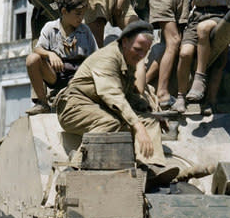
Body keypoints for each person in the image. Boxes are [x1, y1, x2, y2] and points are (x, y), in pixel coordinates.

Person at [56, 21, 179, 187]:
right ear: (125, 41)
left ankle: (149, 167)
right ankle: (75, 167)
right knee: (110, 122)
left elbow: (128, 94)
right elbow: (112, 94)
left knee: (149, 120)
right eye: (138, 49)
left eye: (145, 51)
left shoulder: (128, 60)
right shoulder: (108, 58)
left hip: (100, 106)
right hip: (74, 107)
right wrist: (137, 126)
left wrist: (149, 110)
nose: (141, 56)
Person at [25, 0, 97, 115]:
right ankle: (42, 103)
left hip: (79, 75)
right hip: (56, 74)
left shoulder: (85, 31)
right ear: (64, 12)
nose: (81, 18)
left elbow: (96, 56)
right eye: (77, 14)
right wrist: (50, 54)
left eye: (83, 14)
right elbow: (37, 49)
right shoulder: (50, 27)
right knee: (32, 59)